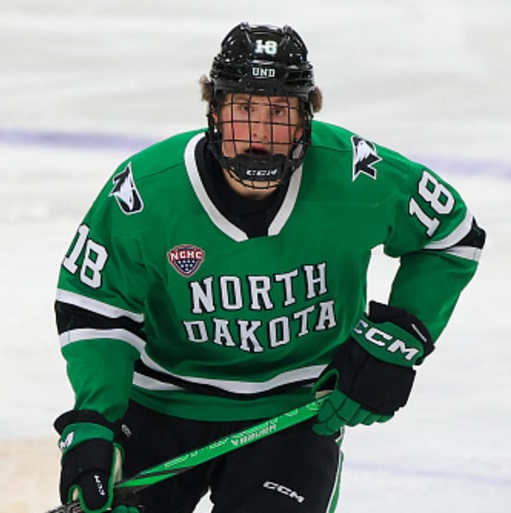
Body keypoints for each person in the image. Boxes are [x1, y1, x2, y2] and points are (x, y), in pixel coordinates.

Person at [52, 22, 485, 513]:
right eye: (243, 109)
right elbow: (95, 305)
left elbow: (451, 234)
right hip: (157, 406)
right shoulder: (146, 193)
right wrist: (93, 421)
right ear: (213, 113)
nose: (259, 133)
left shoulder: (355, 176)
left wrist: (401, 336)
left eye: (279, 111)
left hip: (295, 411)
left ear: (306, 119)